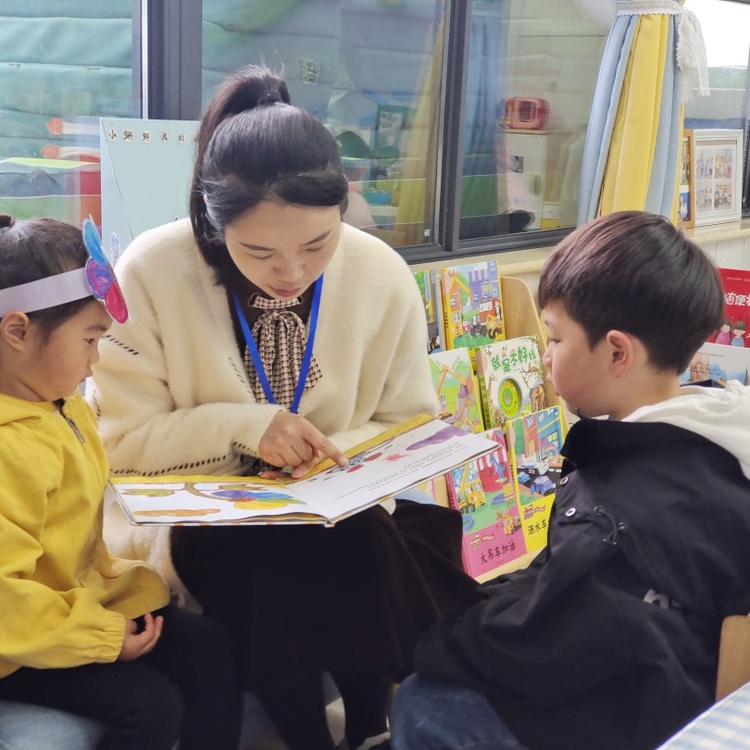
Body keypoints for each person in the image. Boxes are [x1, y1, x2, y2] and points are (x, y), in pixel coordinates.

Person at [87, 65, 479, 750]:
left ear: (343, 208)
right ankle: (314, 738)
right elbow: (119, 443)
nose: (292, 272)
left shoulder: (380, 272)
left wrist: (327, 459)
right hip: (200, 514)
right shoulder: (152, 271)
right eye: (259, 251)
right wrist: (247, 429)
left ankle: (370, 728)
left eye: (317, 244)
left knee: (357, 535)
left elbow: (409, 422)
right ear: (213, 225)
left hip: (338, 505)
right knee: (267, 561)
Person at [390, 210, 750, 750]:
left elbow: (543, 649)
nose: (544, 355)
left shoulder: (621, 505)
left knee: (424, 703)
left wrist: (429, 642)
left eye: (555, 339)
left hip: (647, 707)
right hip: (675, 666)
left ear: (617, 352)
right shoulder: (715, 431)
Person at [0, 215, 242, 750]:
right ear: (17, 331)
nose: (96, 359)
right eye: (89, 338)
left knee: (210, 645)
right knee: (149, 707)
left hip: (70, 605)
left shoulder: (60, 404)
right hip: (16, 642)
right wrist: (102, 637)